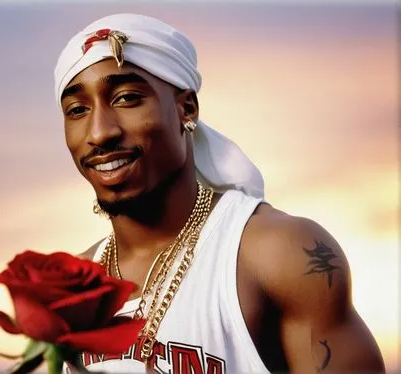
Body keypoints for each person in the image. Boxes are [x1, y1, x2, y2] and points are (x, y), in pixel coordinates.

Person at [54, 13, 385, 373]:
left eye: (127, 98)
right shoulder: (69, 287)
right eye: (77, 110)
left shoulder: (276, 254)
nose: (100, 132)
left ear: (187, 108)